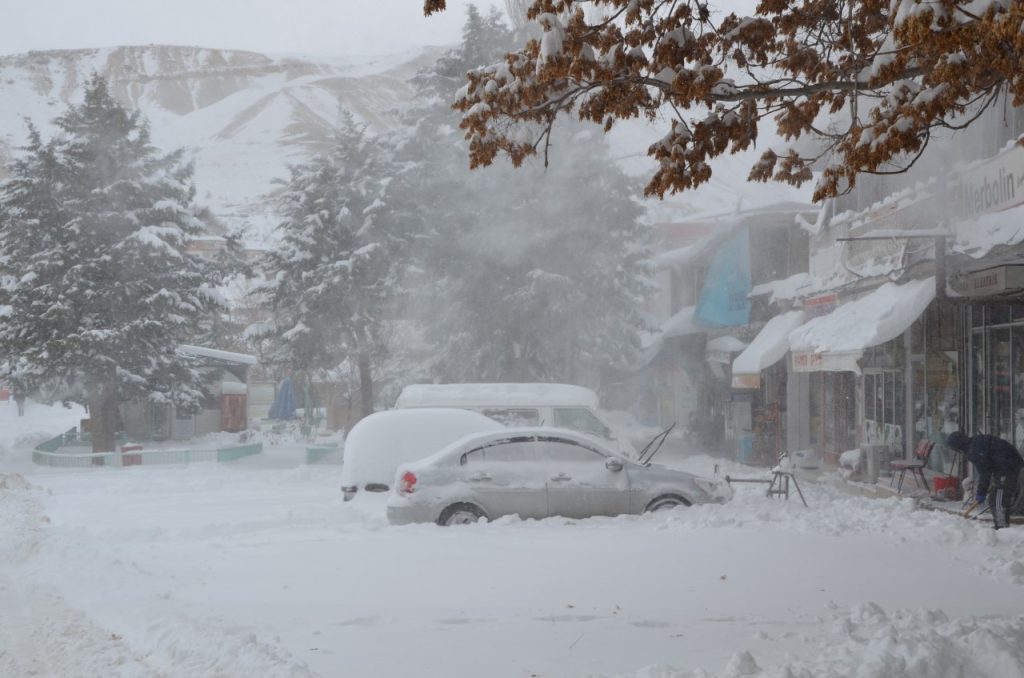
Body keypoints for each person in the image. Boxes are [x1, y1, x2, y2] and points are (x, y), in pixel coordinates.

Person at [947, 431, 1023, 529]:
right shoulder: (974, 443)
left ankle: (1002, 526)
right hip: (1003, 467)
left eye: (955, 448)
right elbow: (986, 468)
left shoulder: (974, 450)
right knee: (993, 498)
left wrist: (981, 493)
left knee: (998, 499)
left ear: (958, 446)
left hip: (1008, 466)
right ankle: (1000, 525)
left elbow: (985, 473)